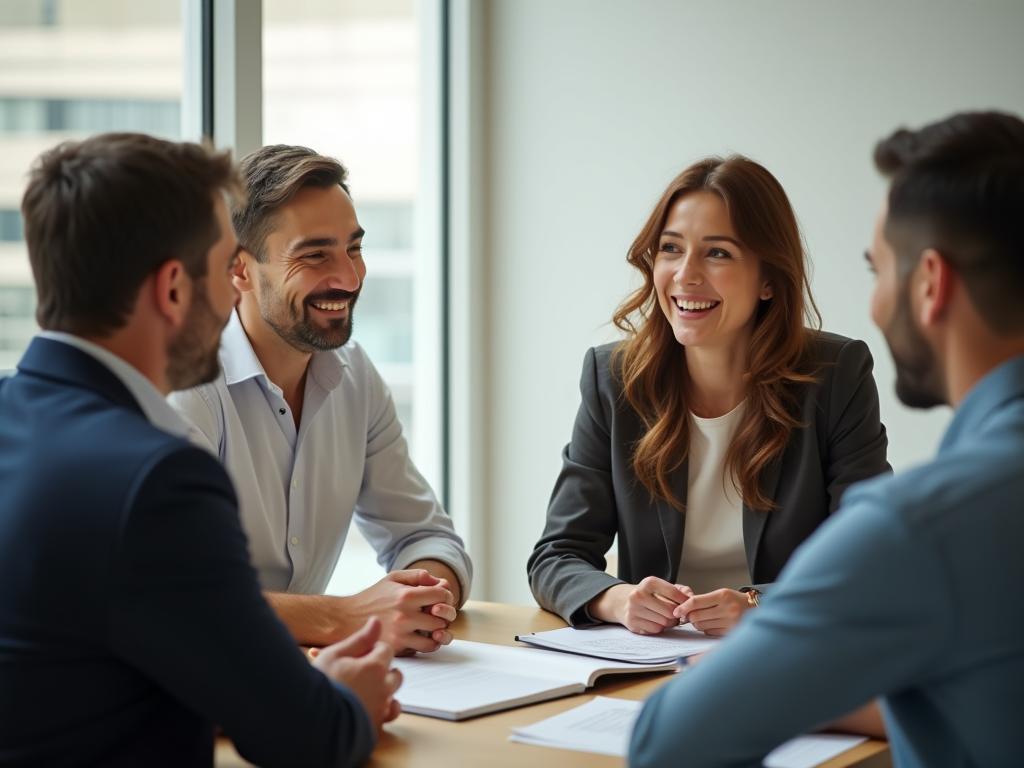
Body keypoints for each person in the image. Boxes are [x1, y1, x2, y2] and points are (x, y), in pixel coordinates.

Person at [628, 111, 1024, 767]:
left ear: (929, 284)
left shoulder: (921, 527)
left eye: (878, 270)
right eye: (670, 249)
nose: (873, 302)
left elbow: (672, 742)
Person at [0, 133, 400, 767]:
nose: (232, 297)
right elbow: (304, 737)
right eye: (223, 270)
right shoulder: (154, 480)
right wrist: (347, 699)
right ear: (173, 290)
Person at [528, 156, 890, 635]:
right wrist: (618, 599)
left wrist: (759, 604)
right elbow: (556, 556)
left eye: (717, 253)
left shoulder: (835, 374)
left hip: (786, 649)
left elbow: (871, 557)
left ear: (767, 279)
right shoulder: (614, 377)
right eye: (671, 249)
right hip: (651, 661)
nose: (685, 274)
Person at [170, 144, 472, 653]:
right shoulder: (186, 387)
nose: (349, 278)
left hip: (299, 676)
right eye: (315, 255)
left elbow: (425, 537)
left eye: (354, 248)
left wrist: (420, 596)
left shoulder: (355, 377)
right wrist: (349, 616)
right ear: (239, 270)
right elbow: (180, 595)